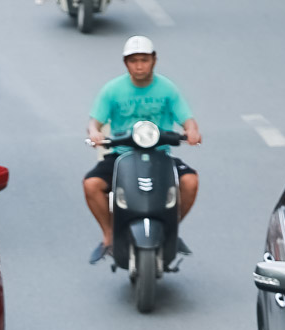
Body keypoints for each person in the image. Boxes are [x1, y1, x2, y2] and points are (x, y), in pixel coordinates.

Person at [84, 36, 201, 266]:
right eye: (134, 60)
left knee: (190, 181)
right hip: (121, 154)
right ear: (126, 63)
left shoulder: (167, 89)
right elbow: (94, 122)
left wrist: (192, 131)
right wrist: (95, 133)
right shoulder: (113, 90)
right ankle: (109, 235)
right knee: (91, 185)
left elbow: (188, 120)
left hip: (161, 154)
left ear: (154, 60)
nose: (139, 65)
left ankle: (171, 229)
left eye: (144, 60)